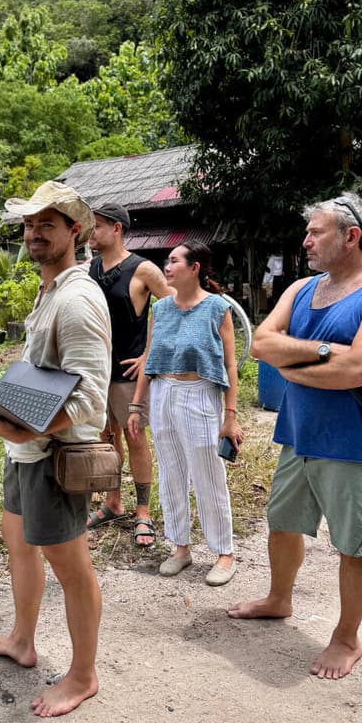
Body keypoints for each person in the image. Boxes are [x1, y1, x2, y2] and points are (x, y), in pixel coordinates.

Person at [0, 181, 111, 717]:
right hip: (26, 449)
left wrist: (30, 430)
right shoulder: (51, 289)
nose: (33, 234)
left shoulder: (76, 299)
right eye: (29, 225)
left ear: (74, 231)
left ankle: (83, 675)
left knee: (71, 567)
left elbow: (92, 396)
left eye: (46, 225)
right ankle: (23, 640)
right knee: (17, 539)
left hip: (53, 457)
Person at [229, 193, 362, 679]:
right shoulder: (299, 288)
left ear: (350, 237)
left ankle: (347, 637)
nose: (305, 240)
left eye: (316, 232)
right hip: (298, 434)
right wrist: (324, 352)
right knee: (282, 522)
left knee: (355, 544)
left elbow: (360, 368)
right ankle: (279, 598)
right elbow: (260, 344)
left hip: (354, 442)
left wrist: (294, 368)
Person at [128, 242, 243, 585]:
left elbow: (230, 364)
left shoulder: (216, 308)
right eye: (167, 260)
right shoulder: (160, 309)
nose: (167, 265)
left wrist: (231, 414)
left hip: (200, 394)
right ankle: (180, 547)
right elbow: (148, 358)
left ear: (195, 268)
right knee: (171, 472)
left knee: (208, 475)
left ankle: (224, 552)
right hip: (164, 393)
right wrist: (137, 405)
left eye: (174, 260)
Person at [86, 203, 173, 544]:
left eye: (96, 227)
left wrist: (148, 355)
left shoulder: (143, 269)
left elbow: (171, 309)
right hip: (96, 371)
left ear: (117, 228)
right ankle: (112, 501)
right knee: (106, 438)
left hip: (127, 370)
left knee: (135, 436)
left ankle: (144, 512)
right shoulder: (89, 269)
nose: (91, 234)